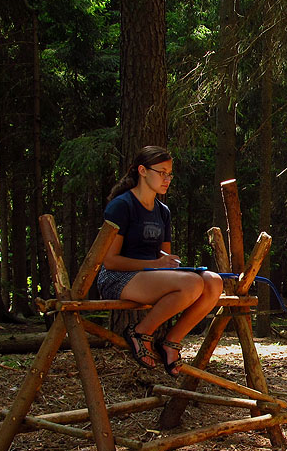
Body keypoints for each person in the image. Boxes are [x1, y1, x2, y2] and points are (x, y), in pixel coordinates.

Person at [96, 146, 223, 375]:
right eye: (162, 172)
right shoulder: (122, 206)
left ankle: (170, 341)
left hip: (150, 275)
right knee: (191, 283)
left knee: (213, 282)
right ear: (143, 171)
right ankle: (140, 333)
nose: (167, 179)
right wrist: (155, 266)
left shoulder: (163, 211)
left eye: (170, 174)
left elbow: (162, 256)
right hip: (118, 278)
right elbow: (110, 261)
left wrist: (173, 264)